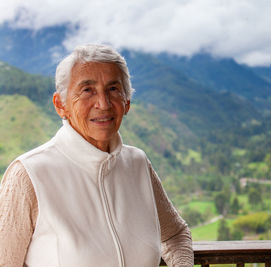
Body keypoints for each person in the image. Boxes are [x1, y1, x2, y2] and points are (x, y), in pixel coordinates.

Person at [0, 44, 194, 267]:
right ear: (60, 105)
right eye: (87, 90)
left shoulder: (137, 163)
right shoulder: (29, 174)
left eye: (113, 89)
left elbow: (175, 234)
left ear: (127, 102)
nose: (103, 103)